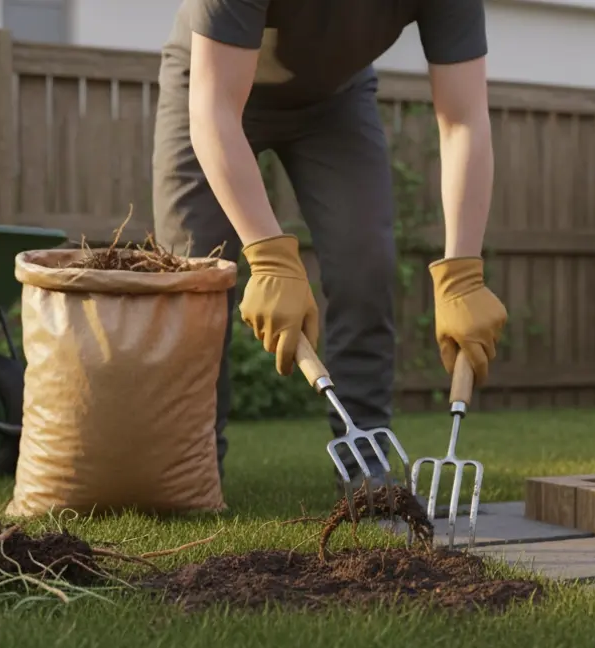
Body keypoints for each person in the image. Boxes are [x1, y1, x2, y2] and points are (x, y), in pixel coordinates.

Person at [152, 0, 508, 486]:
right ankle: (191, 463)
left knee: (365, 262)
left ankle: (366, 455)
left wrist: (463, 272)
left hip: (334, 104)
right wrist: (270, 257)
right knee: (196, 276)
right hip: (210, 88)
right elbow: (214, 109)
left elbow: (464, 119)